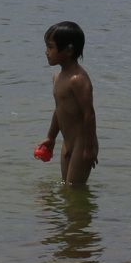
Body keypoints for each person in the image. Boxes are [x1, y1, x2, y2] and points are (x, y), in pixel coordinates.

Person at [35, 20, 98, 185]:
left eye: (50, 47)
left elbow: (89, 114)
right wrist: (51, 137)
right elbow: (59, 109)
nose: (46, 52)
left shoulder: (78, 80)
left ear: (69, 50)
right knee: (67, 188)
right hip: (67, 142)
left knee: (74, 189)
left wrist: (90, 148)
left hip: (82, 143)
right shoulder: (57, 77)